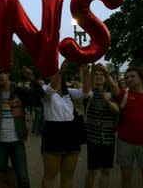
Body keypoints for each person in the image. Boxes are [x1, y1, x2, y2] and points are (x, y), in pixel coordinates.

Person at [0, 66, 43, 188]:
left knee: (23, 178)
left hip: (17, 142)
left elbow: (39, 95)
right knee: (1, 180)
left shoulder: (19, 92)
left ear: (8, 75)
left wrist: (32, 78)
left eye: (2, 73)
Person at [40, 60, 90, 188]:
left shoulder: (69, 92)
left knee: (68, 175)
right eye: (53, 74)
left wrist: (85, 74)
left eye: (57, 73)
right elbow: (51, 90)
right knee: (50, 175)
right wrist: (60, 70)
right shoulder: (45, 89)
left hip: (71, 133)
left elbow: (86, 93)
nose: (56, 76)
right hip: (53, 132)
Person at [83, 64, 120, 188]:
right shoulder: (89, 92)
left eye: (101, 75)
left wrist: (108, 101)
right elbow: (87, 88)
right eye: (97, 75)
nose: (99, 77)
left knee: (106, 170)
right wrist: (92, 71)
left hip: (108, 138)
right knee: (92, 170)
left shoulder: (110, 94)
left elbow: (116, 109)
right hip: (93, 138)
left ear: (105, 78)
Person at [114, 66, 143, 188]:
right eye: (127, 77)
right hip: (125, 143)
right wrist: (106, 75)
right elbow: (114, 88)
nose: (129, 79)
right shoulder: (124, 95)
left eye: (132, 76)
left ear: (141, 78)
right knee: (126, 177)